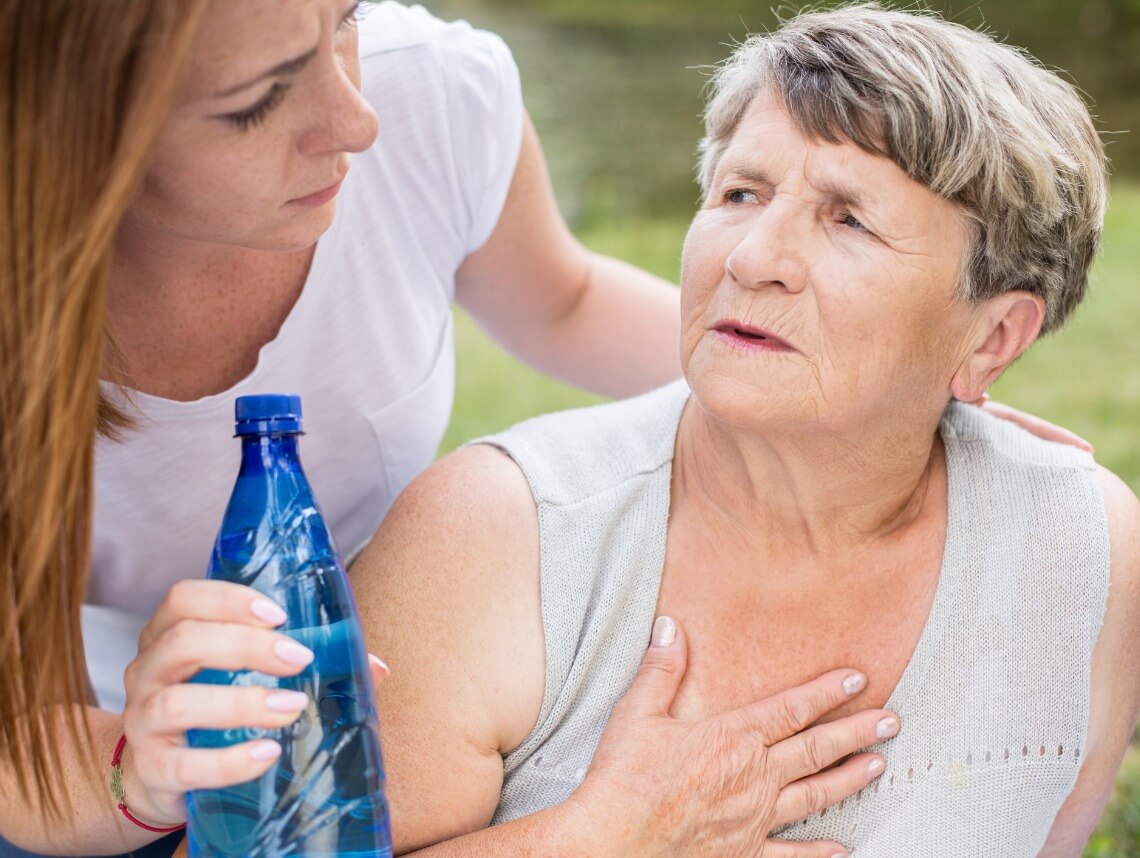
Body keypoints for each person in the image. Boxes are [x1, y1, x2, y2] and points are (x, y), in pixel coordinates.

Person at [0, 0, 1089, 855]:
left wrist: (883, 378)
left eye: (345, 24)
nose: (355, 121)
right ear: (82, 133)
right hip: (86, 738)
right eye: (255, 101)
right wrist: (139, 775)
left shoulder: (424, 99)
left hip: (362, 660)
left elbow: (562, 298)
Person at [351, 5, 1140, 855]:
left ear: (990, 339)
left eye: (848, 218)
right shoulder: (492, 534)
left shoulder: (1085, 550)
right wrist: (605, 837)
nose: (751, 256)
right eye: (740, 193)